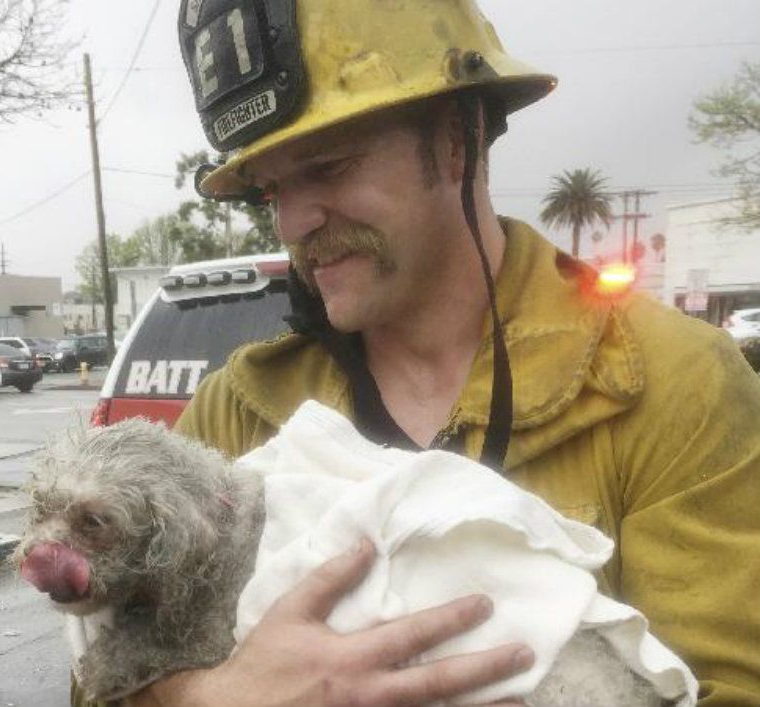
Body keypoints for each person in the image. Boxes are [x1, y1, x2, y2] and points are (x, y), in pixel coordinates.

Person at [74, 1, 760, 705]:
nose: (293, 221)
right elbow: (97, 673)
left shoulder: (668, 381)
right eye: (272, 190)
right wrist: (206, 698)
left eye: (328, 166)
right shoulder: (237, 412)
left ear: (456, 137)